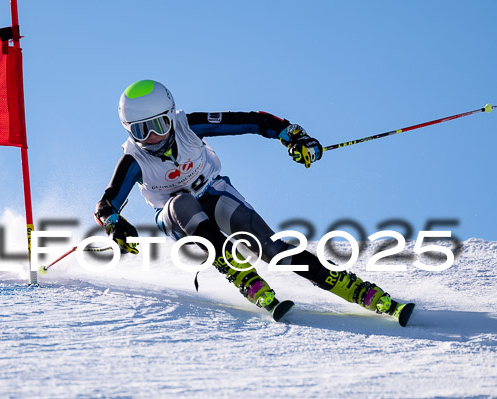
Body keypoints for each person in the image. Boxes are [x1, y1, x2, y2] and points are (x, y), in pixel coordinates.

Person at [94, 79, 414, 326]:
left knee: (273, 250)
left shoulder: (188, 125)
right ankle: (244, 277)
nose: (152, 137)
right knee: (180, 204)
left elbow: (251, 120)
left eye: (159, 125)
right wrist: (114, 224)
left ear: (170, 117)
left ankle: (360, 291)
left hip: (214, 193)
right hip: (178, 218)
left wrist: (293, 135)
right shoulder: (133, 159)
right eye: (140, 130)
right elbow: (108, 203)